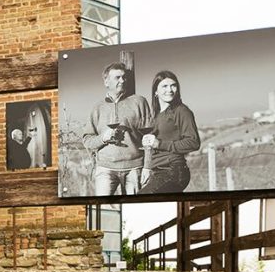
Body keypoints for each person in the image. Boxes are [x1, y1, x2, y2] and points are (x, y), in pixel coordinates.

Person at [82, 62, 151, 196]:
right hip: (105, 169)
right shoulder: (97, 108)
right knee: (102, 206)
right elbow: (87, 141)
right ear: (106, 82)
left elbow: (149, 137)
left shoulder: (139, 102)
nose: (122, 81)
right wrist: (103, 138)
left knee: (134, 206)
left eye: (124, 77)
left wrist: (148, 167)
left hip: (134, 168)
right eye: (117, 77)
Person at [139, 70, 200, 194]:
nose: (170, 90)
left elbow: (193, 142)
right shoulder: (155, 115)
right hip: (158, 171)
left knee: (142, 199)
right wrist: (147, 167)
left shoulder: (182, 111)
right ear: (156, 91)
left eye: (173, 85)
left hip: (173, 170)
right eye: (165, 86)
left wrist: (160, 144)